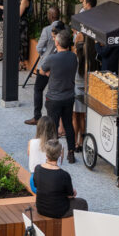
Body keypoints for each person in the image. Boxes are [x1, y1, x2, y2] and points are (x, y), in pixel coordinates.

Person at [39, 30, 78, 163]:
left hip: (54, 98)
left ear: (57, 42)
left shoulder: (52, 58)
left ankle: (53, 153)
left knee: (53, 126)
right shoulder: (73, 57)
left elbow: (42, 70)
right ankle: (71, 153)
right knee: (68, 124)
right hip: (69, 96)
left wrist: (51, 74)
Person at [34, 140, 88, 219]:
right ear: (60, 154)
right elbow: (70, 195)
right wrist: (73, 192)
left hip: (41, 208)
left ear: (46, 154)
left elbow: (36, 185)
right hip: (58, 211)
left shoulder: (38, 168)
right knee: (83, 203)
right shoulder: (63, 175)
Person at [25, 7, 60, 125]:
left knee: (38, 89)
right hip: (59, 65)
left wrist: (45, 52)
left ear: (50, 16)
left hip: (46, 64)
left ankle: (37, 116)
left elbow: (39, 47)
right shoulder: (65, 28)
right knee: (55, 91)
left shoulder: (47, 30)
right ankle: (55, 118)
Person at [28, 116, 63, 191]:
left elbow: (29, 155)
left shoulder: (31, 142)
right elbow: (60, 162)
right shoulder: (59, 145)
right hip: (54, 181)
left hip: (35, 182)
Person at [18, 0, 32, 70]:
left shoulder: (24, 1)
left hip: (22, 23)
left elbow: (19, 13)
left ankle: (22, 63)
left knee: (21, 42)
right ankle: (21, 62)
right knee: (20, 42)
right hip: (22, 22)